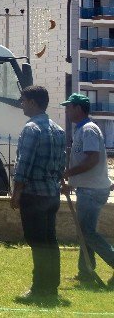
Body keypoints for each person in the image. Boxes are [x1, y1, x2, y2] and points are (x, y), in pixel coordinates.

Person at [10, 85, 66, 305]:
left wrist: (16, 193)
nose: (21, 104)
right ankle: (51, 285)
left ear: (33, 102)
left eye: (23, 100)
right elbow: (62, 163)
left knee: (37, 241)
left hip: (34, 194)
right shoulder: (58, 130)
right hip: (51, 194)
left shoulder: (31, 129)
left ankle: (40, 288)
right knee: (50, 241)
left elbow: (24, 163)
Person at [61, 93, 114, 289]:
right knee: (84, 233)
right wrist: (72, 182)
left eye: (69, 107)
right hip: (88, 188)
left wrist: (68, 173)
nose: (66, 111)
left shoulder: (89, 130)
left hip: (93, 191)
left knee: (88, 233)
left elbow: (92, 160)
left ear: (78, 108)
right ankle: (85, 273)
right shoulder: (81, 130)